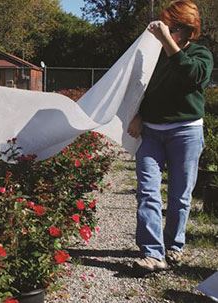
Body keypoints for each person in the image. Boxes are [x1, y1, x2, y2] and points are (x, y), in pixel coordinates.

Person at [128, 0, 213, 272]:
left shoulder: (201, 54)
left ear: (190, 30)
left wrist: (168, 42)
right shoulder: (154, 56)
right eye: (167, 25)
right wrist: (139, 113)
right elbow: (141, 87)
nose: (168, 30)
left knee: (180, 195)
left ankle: (174, 245)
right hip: (152, 132)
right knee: (148, 191)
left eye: (174, 27)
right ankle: (153, 253)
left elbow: (193, 77)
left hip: (186, 132)